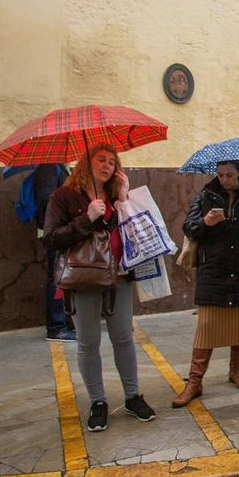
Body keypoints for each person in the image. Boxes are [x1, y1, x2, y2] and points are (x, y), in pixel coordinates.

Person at [43, 144, 156, 432]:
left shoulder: (115, 195)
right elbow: (52, 239)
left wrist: (122, 200)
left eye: (111, 161)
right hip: (83, 280)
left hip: (118, 276)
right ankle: (98, 402)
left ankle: (132, 396)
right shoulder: (63, 196)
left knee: (124, 339)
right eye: (100, 159)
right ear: (86, 163)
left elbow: (131, 231)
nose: (106, 165)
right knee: (88, 342)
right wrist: (87, 217)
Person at [173, 160, 239, 407]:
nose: (224, 179)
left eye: (229, 175)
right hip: (215, 270)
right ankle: (194, 382)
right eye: (220, 175)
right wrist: (205, 222)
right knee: (206, 330)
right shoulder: (206, 195)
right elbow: (189, 227)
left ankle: (236, 370)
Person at [31, 163, 75, 342]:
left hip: (64, 231)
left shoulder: (62, 167)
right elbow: (44, 199)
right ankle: (56, 327)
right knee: (57, 277)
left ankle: (65, 321)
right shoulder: (48, 167)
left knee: (63, 277)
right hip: (54, 233)